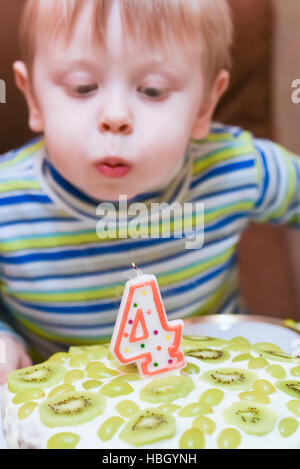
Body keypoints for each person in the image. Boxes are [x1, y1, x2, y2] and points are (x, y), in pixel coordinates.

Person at [0, 0, 299, 384]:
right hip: (65, 419)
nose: (116, 116)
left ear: (206, 104)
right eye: (83, 87)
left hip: (214, 396)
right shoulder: (7, 201)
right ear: (33, 97)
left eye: (153, 91)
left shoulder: (239, 168)